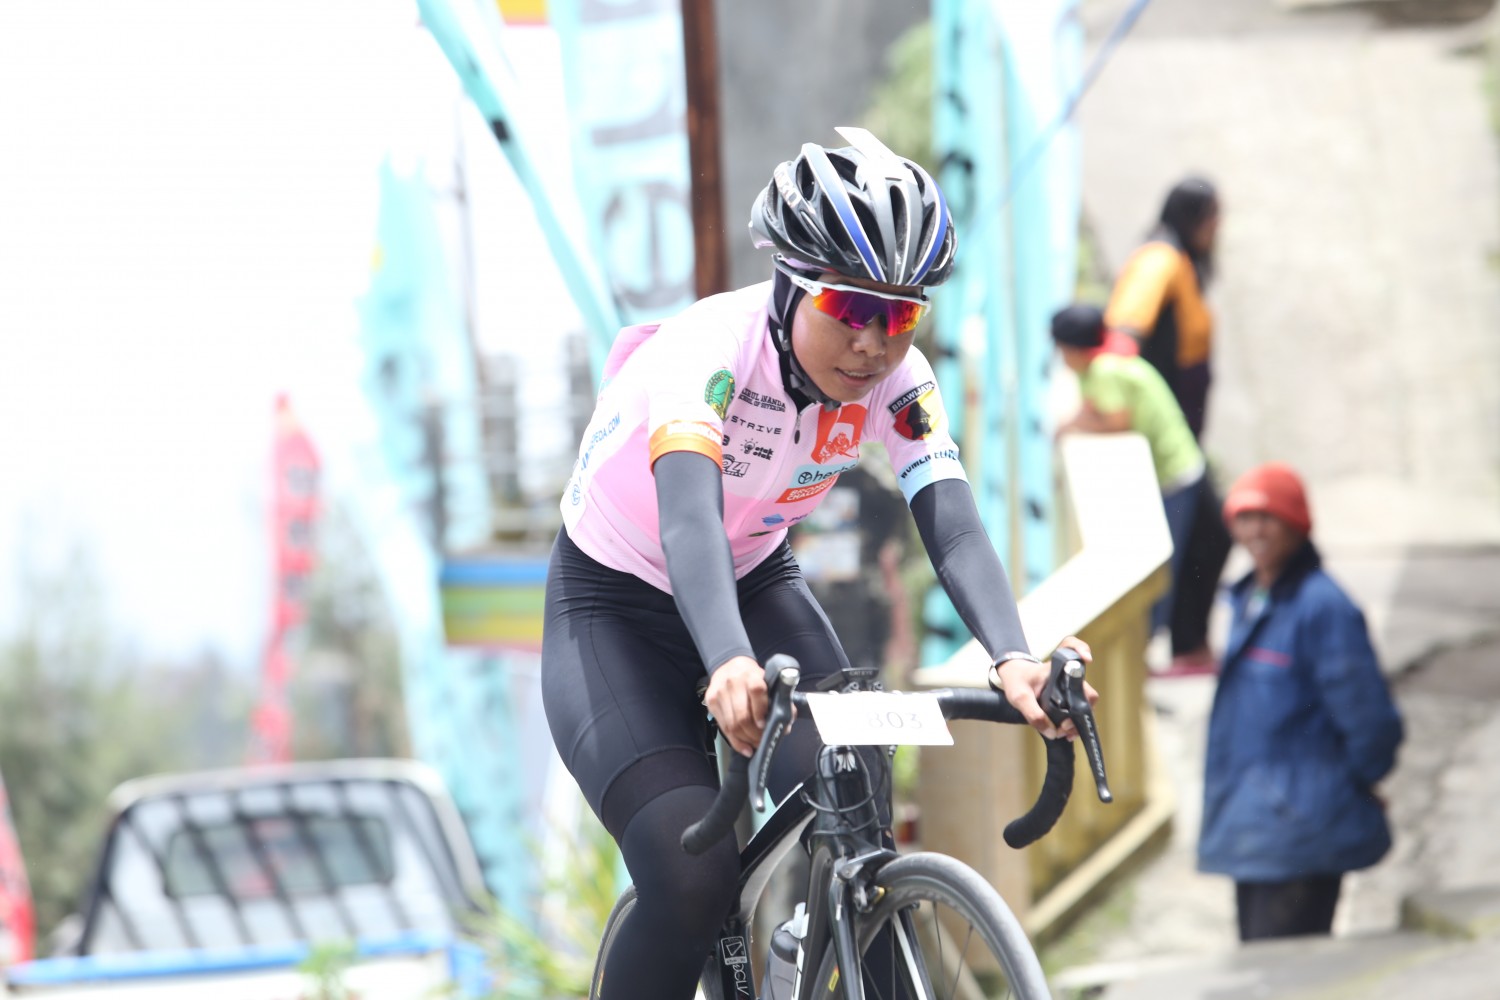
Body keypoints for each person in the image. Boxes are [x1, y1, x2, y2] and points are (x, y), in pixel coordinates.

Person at [542, 127, 1093, 1000]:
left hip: (756, 583)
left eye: (900, 315)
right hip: (615, 610)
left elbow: (951, 525)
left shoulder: (901, 382)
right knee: (691, 879)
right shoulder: (705, 350)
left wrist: (1013, 656)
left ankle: (832, 941)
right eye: (850, 309)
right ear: (791, 285)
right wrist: (728, 660)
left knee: (857, 803)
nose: (874, 343)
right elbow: (689, 521)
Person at [1198, 463, 1404, 942]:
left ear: (1297, 524)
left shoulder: (1323, 606)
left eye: (1268, 518)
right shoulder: (1250, 597)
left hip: (1300, 833)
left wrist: (1348, 785)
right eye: (1244, 518)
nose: (1255, 531)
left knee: (1289, 971)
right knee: (1263, 965)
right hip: (1257, 830)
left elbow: (1371, 720)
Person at [1051, 304, 1224, 671]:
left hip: (1175, 475)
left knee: (1162, 563)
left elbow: (1118, 420)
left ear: (1072, 350)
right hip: (1176, 469)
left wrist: (1070, 427)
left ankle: (1150, 646)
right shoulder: (1105, 361)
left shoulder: (1104, 370)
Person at [1105, 176, 1219, 440]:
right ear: (1192, 217)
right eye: (1212, 214)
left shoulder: (1183, 259)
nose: (1217, 225)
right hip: (1160, 414)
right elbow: (1125, 328)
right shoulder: (1159, 259)